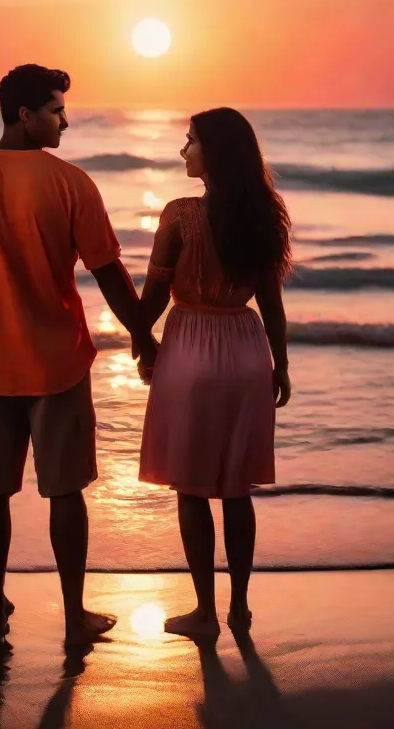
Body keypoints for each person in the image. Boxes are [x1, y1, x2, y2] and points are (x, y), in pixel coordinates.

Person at [0, 64, 157, 646]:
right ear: (24, 115)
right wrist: (142, 333)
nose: (65, 120)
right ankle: (74, 614)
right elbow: (108, 271)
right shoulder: (70, 182)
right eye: (56, 110)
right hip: (57, 363)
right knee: (65, 491)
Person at [137, 107, 292, 639]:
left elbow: (155, 293)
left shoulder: (180, 214)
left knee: (191, 487)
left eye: (191, 141)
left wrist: (141, 341)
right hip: (248, 353)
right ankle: (241, 608)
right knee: (237, 488)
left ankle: (204, 611)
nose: (184, 151)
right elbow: (271, 302)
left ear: (215, 153)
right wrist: (281, 365)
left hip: (192, 351)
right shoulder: (264, 213)